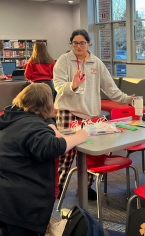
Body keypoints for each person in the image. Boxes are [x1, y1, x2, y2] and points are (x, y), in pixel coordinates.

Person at [0, 83, 88, 236]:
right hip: (18, 202)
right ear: (46, 104)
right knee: (19, 229)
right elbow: (52, 147)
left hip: (1, 196)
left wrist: (51, 125)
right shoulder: (32, 127)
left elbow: (45, 124)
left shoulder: (16, 119)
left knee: (7, 226)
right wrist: (79, 136)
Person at [53, 29, 134, 199]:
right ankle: (59, 187)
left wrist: (126, 99)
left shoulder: (96, 63)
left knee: (90, 152)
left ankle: (85, 187)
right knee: (66, 153)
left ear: (89, 43)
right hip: (68, 111)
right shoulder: (63, 60)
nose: (79, 46)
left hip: (90, 115)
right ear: (71, 44)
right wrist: (72, 85)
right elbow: (58, 86)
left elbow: (110, 87)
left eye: (82, 42)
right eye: (75, 43)